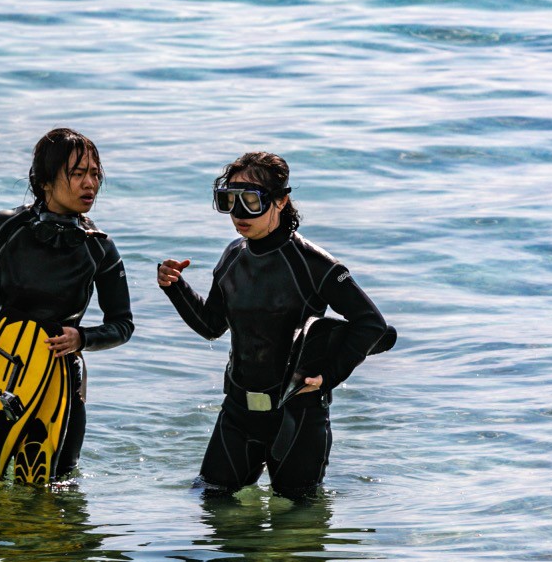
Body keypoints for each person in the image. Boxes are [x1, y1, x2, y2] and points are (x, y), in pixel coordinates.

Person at [158, 151, 388, 501]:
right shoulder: (232, 256)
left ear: (281, 201)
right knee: (209, 501)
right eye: (229, 201)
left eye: (251, 200)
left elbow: (371, 325)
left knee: (298, 521)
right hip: (237, 411)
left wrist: (328, 377)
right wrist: (176, 288)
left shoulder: (314, 264)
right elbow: (211, 326)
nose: (239, 213)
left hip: (297, 416)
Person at [0, 128, 133, 479]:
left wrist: (81, 339)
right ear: (45, 181)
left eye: (95, 174)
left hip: (63, 378)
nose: (90, 184)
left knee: (56, 491)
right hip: (2, 369)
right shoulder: (3, 228)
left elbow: (122, 325)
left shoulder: (99, 246)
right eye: (78, 173)